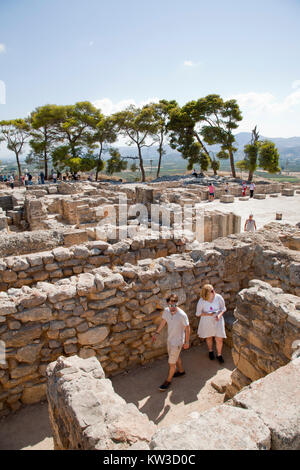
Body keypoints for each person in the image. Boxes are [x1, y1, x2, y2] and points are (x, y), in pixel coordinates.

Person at [152, 294, 190, 391]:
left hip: (177, 343)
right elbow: (163, 322)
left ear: (177, 303)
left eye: (174, 305)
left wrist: (187, 342)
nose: (172, 308)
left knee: (171, 363)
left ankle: (168, 381)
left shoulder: (182, 315)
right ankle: (181, 371)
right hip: (170, 340)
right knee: (175, 357)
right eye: (170, 305)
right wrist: (156, 333)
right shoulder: (166, 311)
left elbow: (187, 328)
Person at [196, 284, 227, 363]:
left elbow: (223, 308)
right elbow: (198, 314)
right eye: (211, 291)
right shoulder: (202, 300)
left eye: (213, 290)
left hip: (218, 321)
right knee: (209, 337)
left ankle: (219, 355)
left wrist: (219, 316)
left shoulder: (218, 297)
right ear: (206, 293)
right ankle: (210, 351)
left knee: (219, 339)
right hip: (207, 321)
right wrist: (208, 314)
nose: (214, 292)